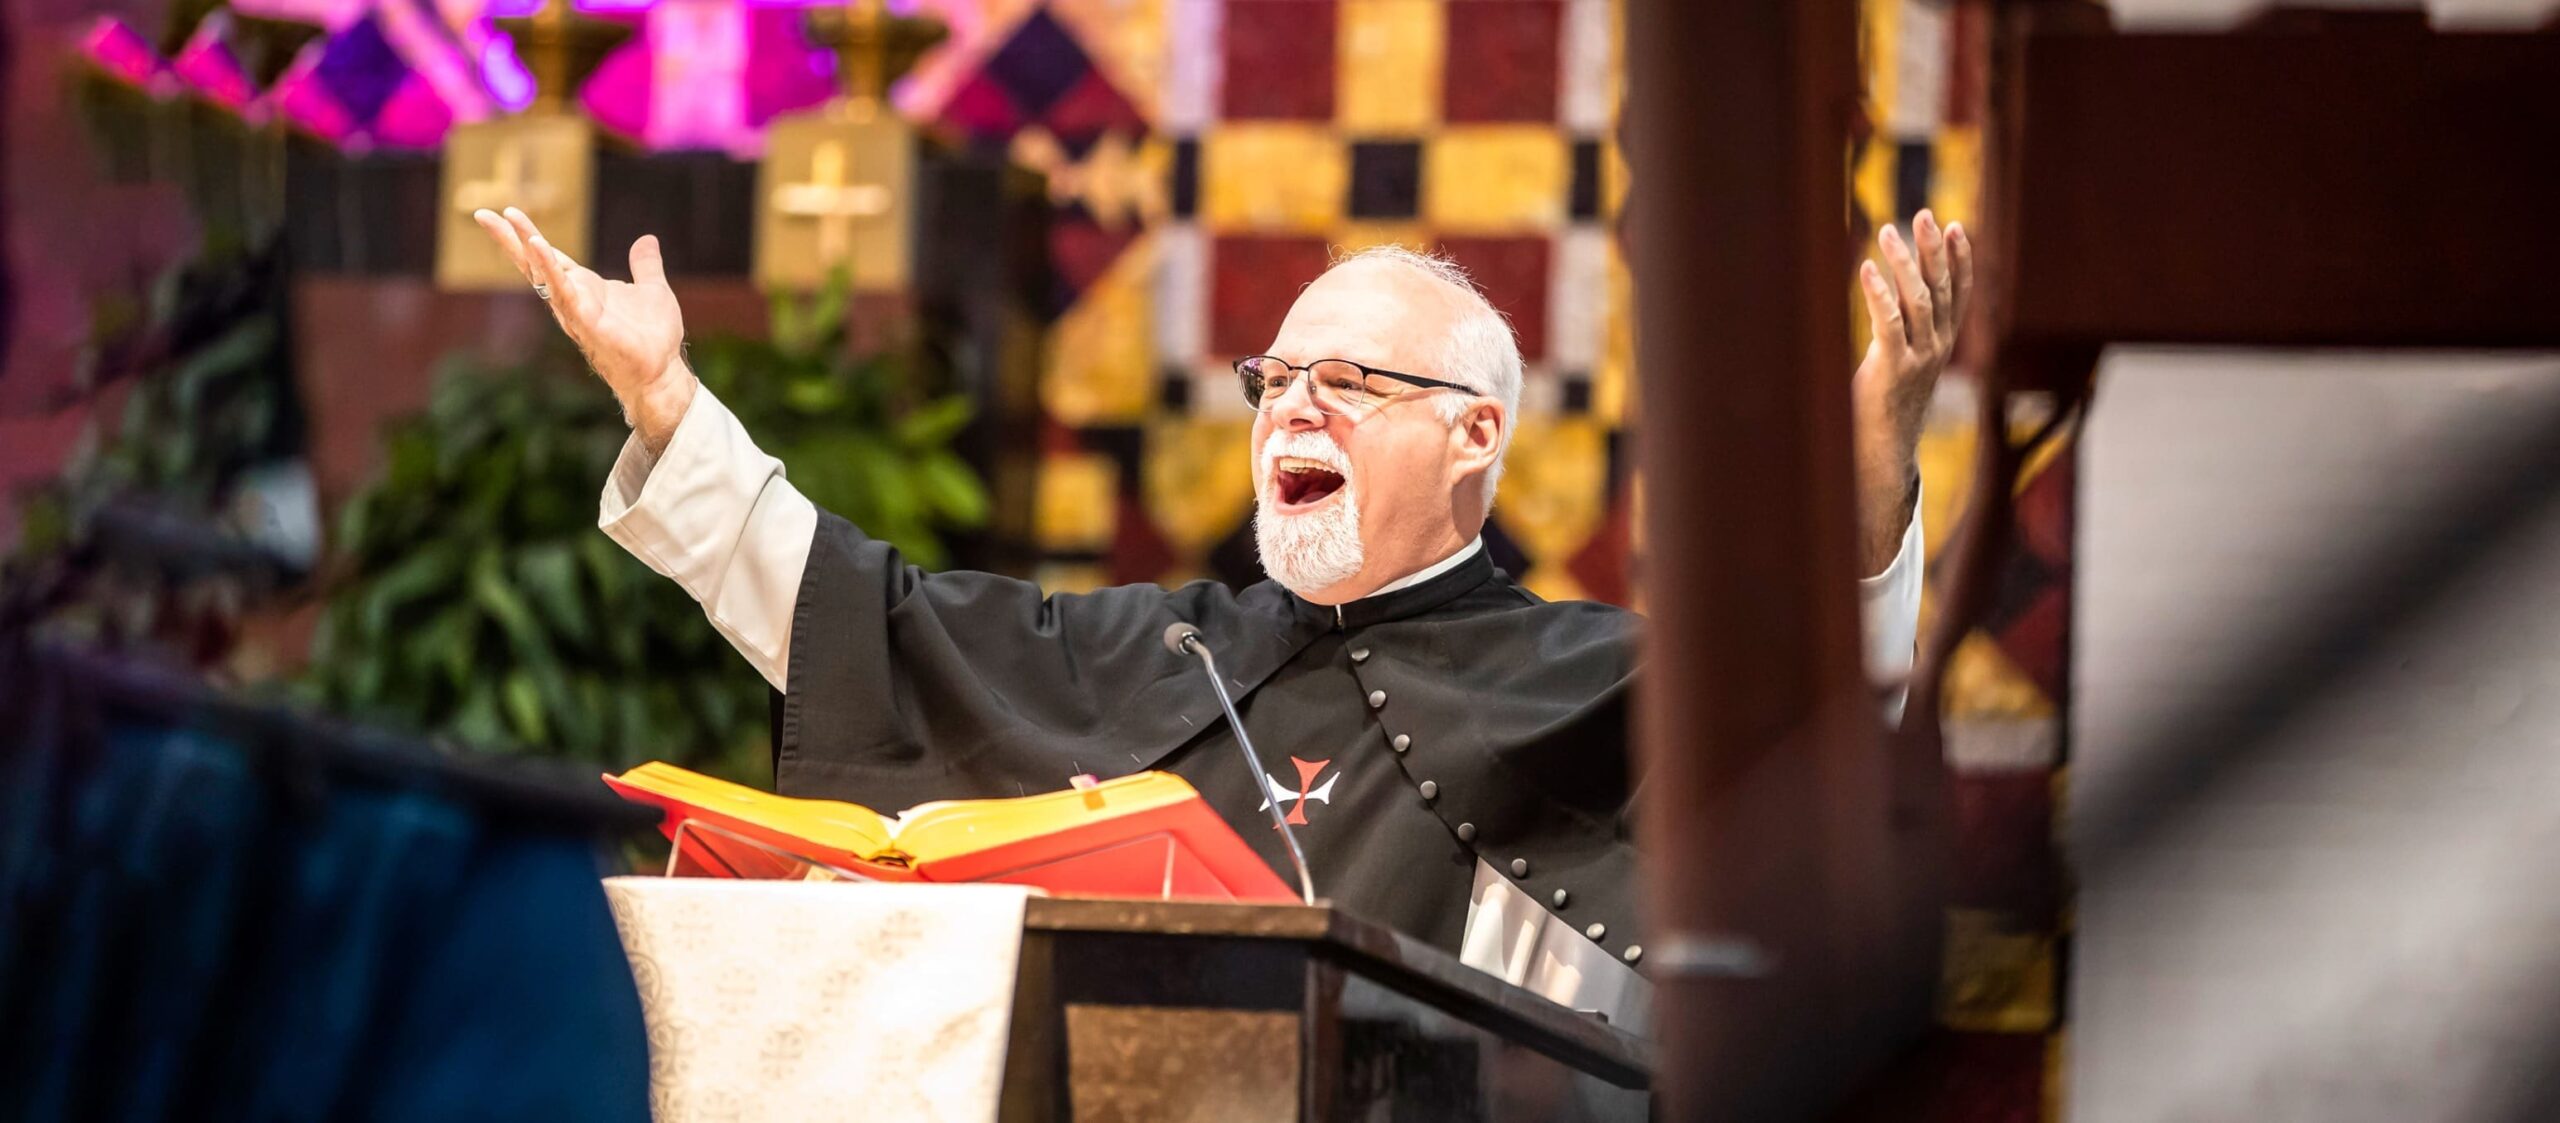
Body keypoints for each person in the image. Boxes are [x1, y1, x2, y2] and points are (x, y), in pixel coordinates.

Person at [472, 205, 1971, 1025]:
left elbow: (1821, 708)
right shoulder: (1156, 649)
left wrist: (1872, 458)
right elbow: (851, 612)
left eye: (1351, 381)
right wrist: (666, 400)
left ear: (1476, 437)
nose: (1292, 407)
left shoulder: (1589, 677)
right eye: (1275, 380)